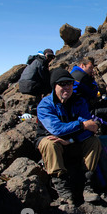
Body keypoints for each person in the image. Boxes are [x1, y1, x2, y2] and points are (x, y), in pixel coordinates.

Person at [36, 68, 102, 205]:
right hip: (54, 142)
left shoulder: (79, 101)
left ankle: (87, 185)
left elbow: (90, 129)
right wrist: (81, 125)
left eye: (69, 83)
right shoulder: (45, 105)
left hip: (72, 141)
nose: (67, 87)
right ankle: (63, 191)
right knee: (49, 143)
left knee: (94, 141)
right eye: (62, 84)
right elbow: (56, 129)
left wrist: (71, 140)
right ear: (54, 86)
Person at [70, 56, 107, 144]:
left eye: (92, 68)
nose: (92, 70)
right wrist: (92, 78)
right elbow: (93, 91)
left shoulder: (74, 73)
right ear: (82, 66)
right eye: (90, 68)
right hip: (84, 111)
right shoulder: (82, 76)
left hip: (84, 106)